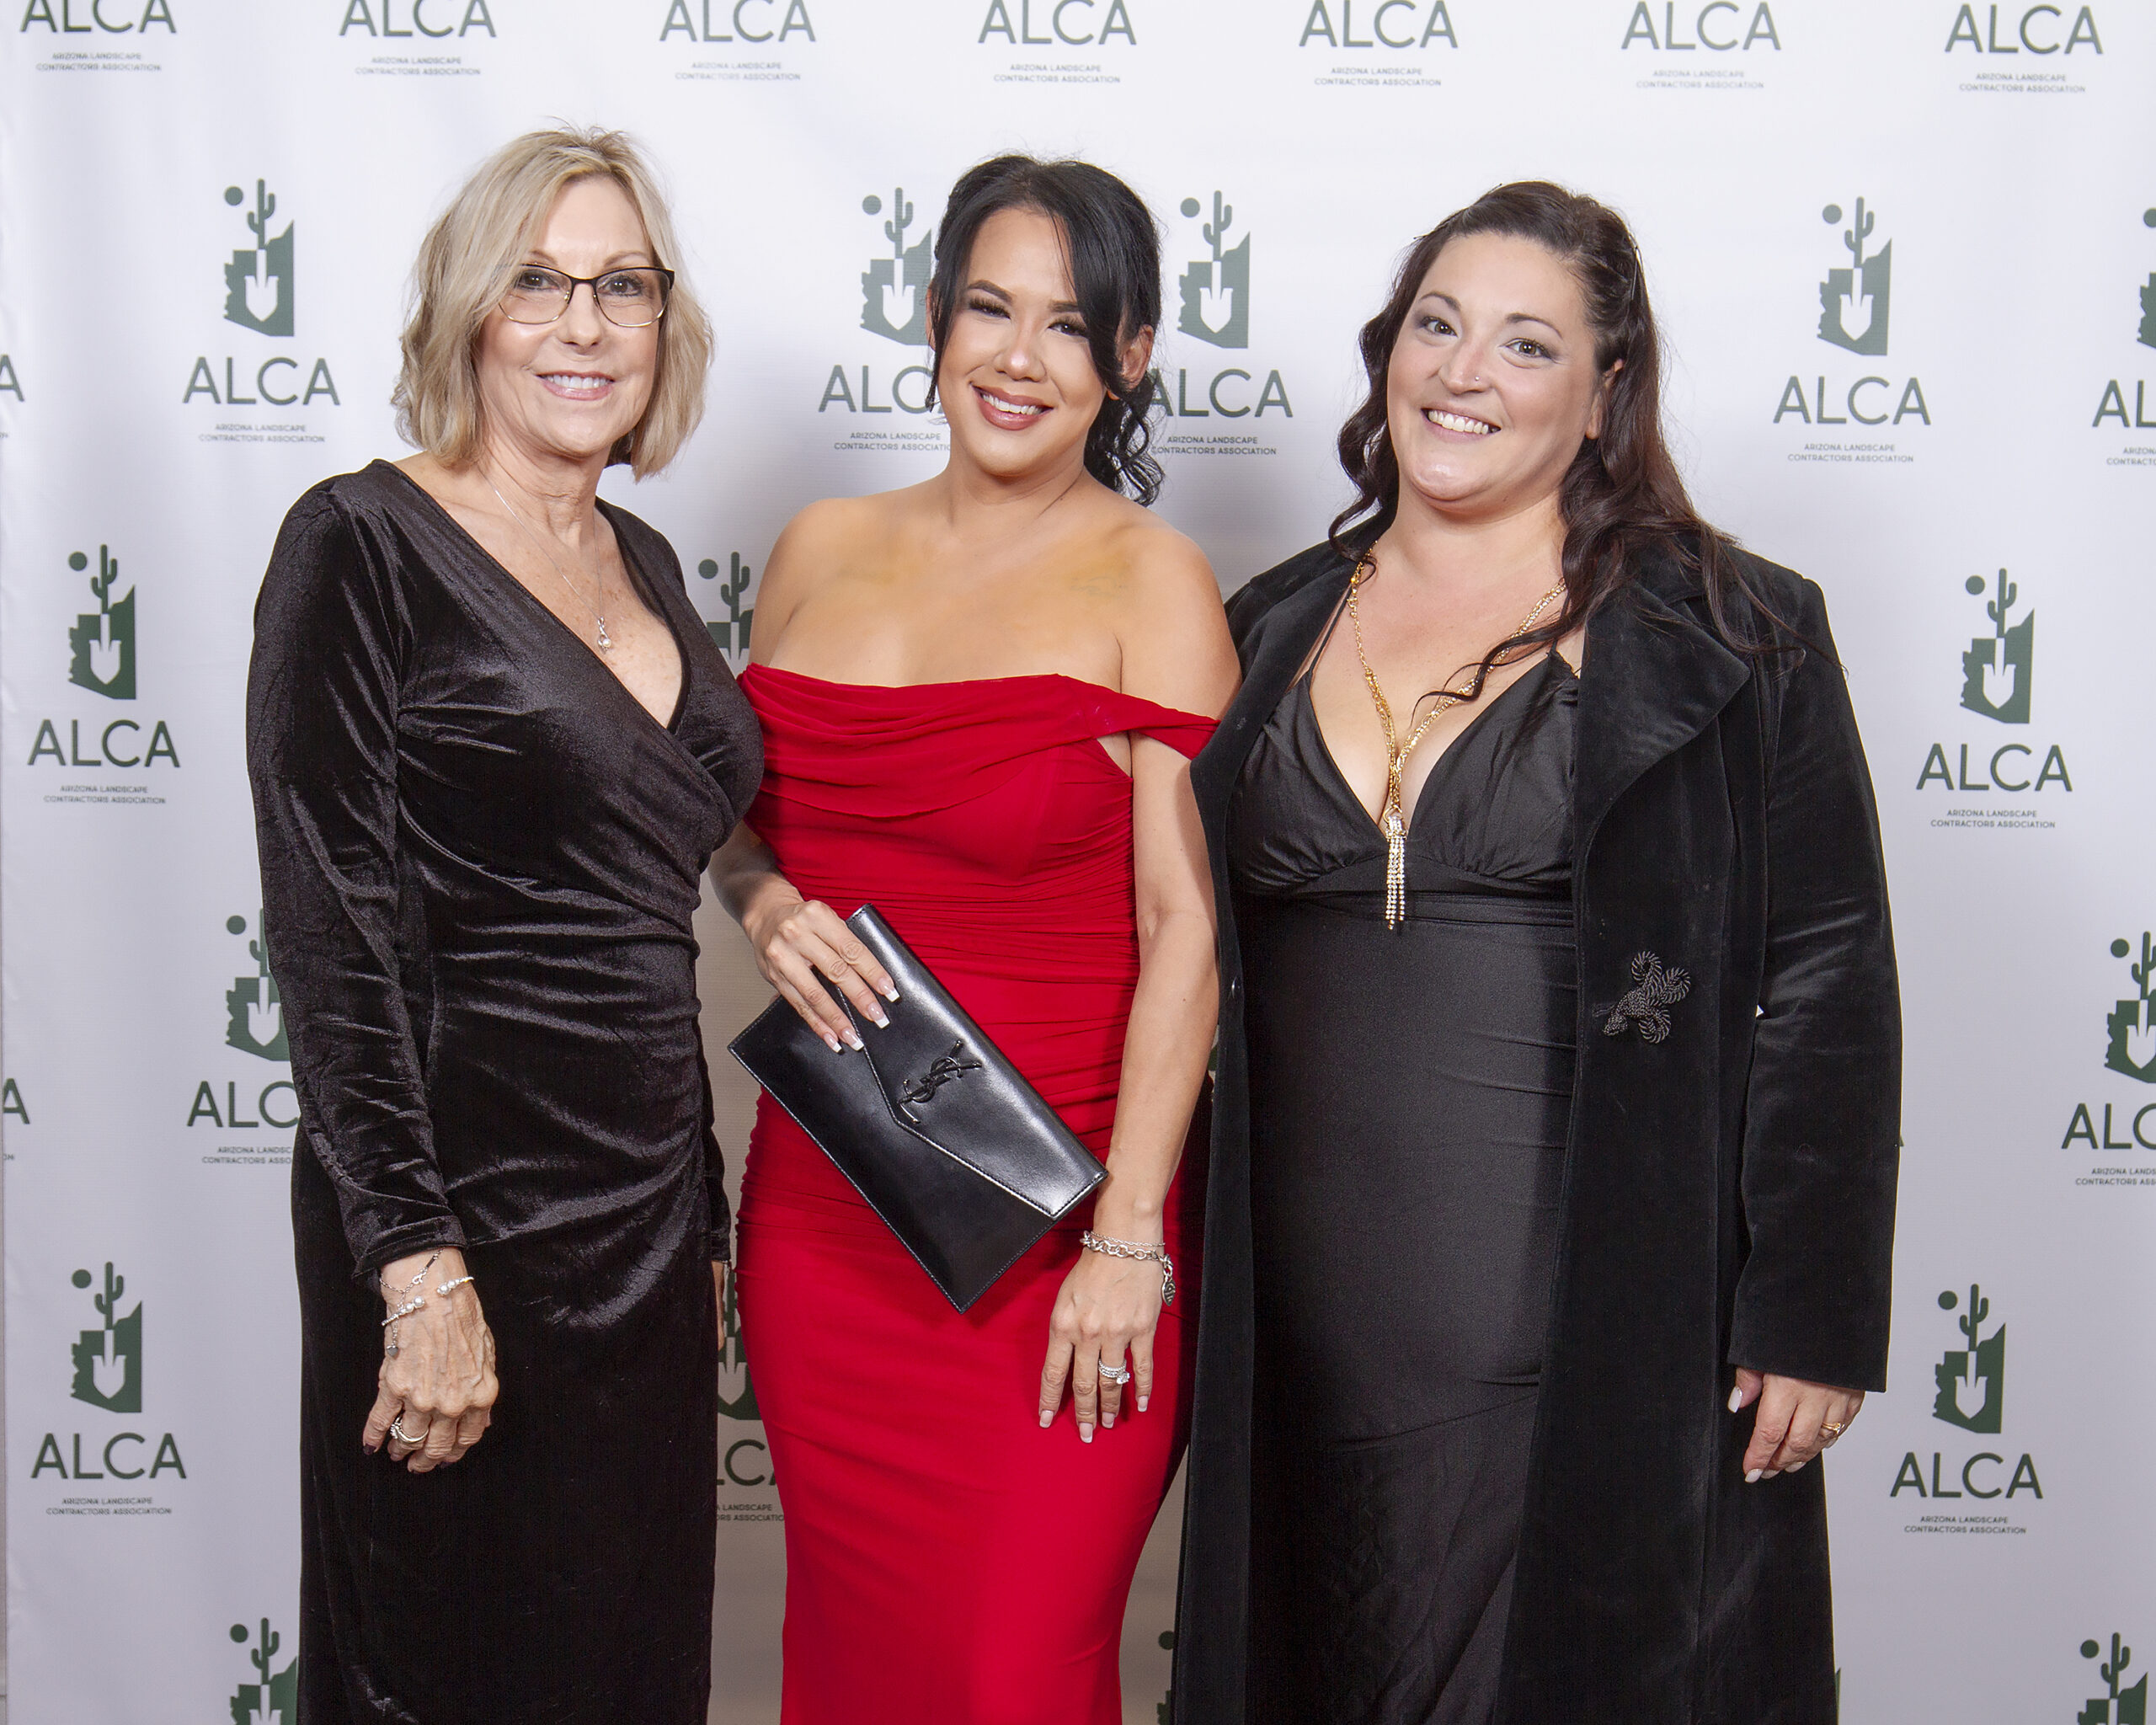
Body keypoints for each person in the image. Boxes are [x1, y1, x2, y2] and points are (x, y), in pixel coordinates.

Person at [1173, 182, 1901, 1724]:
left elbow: (1830, 972)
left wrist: (1814, 1310)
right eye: (1436, 325)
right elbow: (1150, 933)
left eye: (1525, 343)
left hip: (1600, 1339)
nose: (1462, 373)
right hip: (1300, 1335)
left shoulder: (1737, 630)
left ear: (1606, 391)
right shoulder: (1261, 626)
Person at [712, 154, 1236, 1723]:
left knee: (1016, 1674)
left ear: (1129, 356)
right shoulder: (816, 546)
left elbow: (1190, 930)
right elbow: (736, 825)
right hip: (829, 1215)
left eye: (1068, 326)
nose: (1019, 358)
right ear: (934, 313)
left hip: (1062, 1231)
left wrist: (1130, 1240)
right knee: (853, 1666)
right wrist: (762, 901)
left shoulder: (1156, 583)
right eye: (989, 308)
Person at [246, 127, 759, 1723]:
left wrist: (703, 1213)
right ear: (470, 311)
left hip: (647, 1227)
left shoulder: (644, 560)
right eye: (537, 282)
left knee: (629, 1668)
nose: (583, 325)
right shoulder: (360, 543)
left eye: (623, 286)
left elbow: (646, 887)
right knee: (441, 1664)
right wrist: (414, 1268)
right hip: (459, 1218)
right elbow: (329, 935)